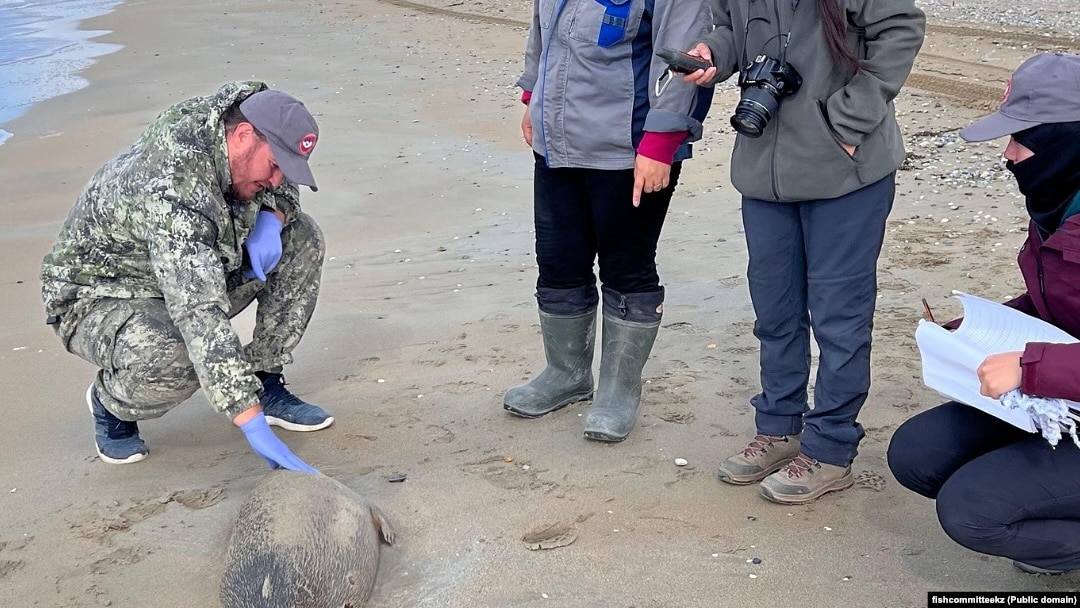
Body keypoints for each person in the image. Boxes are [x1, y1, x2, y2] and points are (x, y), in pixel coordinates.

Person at [681, 0, 925, 503]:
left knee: (840, 319)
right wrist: (712, 53)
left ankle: (831, 451)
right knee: (775, 310)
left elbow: (901, 28)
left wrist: (848, 120)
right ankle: (778, 428)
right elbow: (730, 28)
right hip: (763, 174)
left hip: (847, 175)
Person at [41, 82, 332, 473]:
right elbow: (199, 311)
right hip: (101, 294)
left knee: (302, 237)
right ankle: (111, 403)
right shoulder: (172, 186)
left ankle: (265, 376)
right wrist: (248, 419)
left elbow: (282, 185)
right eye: (275, 166)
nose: (278, 180)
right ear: (243, 137)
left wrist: (274, 215)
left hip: (187, 261)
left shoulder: (245, 121)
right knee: (176, 355)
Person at [888, 52, 1080, 576]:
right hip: (1069, 399)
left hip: (1066, 387)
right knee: (917, 454)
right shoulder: (1060, 202)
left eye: (1023, 137)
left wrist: (1030, 368)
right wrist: (977, 330)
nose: (1008, 153)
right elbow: (1058, 305)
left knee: (971, 510)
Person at [503, 0, 714, 442]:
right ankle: (567, 374)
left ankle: (619, 390)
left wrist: (661, 144)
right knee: (559, 261)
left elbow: (686, 63)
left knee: (628, 268)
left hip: (629, 150)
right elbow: (542, 36)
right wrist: (532, 97)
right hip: (556, 141)